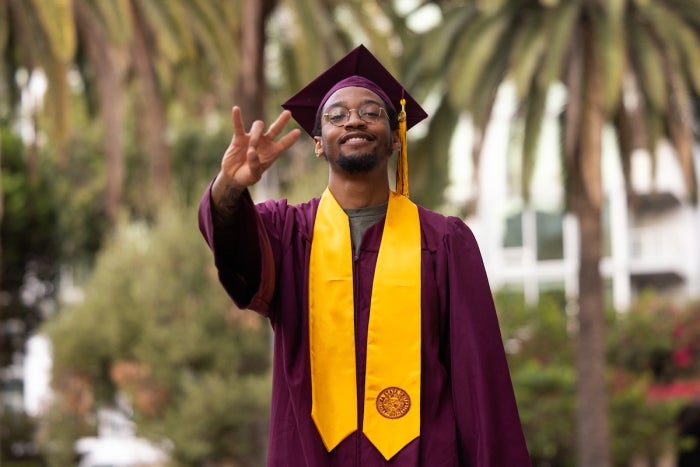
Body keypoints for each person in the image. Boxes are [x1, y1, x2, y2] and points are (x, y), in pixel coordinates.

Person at [199, 45, 530, 466]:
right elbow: (234, 250)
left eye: (372, 112)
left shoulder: (444, 242)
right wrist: (229, 186)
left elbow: (481, 383)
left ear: (396, 137)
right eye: (336, 115)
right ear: (318, 143)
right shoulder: (286, 234)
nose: (354, 119)